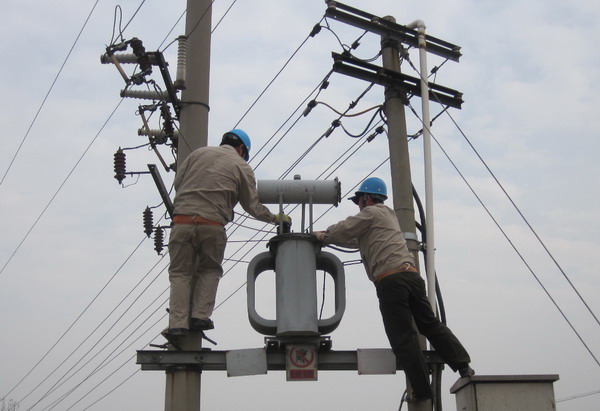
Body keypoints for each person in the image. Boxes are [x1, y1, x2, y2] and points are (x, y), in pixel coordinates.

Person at [313, 177, 473, 402]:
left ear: (366, 198)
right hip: (412, 277)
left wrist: (323, 235)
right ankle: (463, 365)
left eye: (359, 201)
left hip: (391, 280)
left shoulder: (370, 213)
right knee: (430, 324)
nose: (359, 206)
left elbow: (346, 227)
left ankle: (422, 391)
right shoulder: (388, 216)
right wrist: (328, 239)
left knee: (403, 338)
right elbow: (354, 240)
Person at [167, 129, 290, 336]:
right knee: (209, 269)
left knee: (180, 273)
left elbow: (178, 183)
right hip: (212, 225)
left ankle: (177, 324)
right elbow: (252, 205)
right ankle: (199, 316)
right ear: (241, 149)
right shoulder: (241, 166)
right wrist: (275, 218)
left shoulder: (197, 154)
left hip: (182, 221)